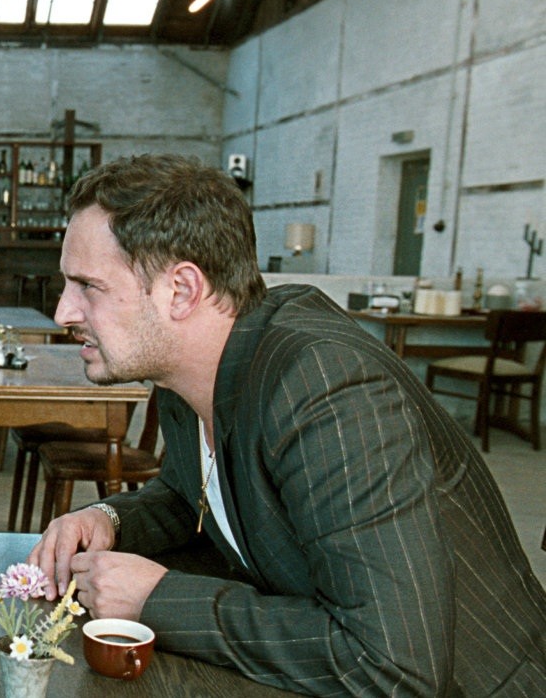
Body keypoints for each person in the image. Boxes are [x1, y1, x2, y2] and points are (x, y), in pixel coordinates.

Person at [28, 154, 546, 695]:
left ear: (181, 290)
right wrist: (109, 518)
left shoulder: (326, 388)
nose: (64, 312)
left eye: (88, 286)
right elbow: (197, 498)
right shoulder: (190, 371)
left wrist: (158, 600)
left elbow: (393, 667)